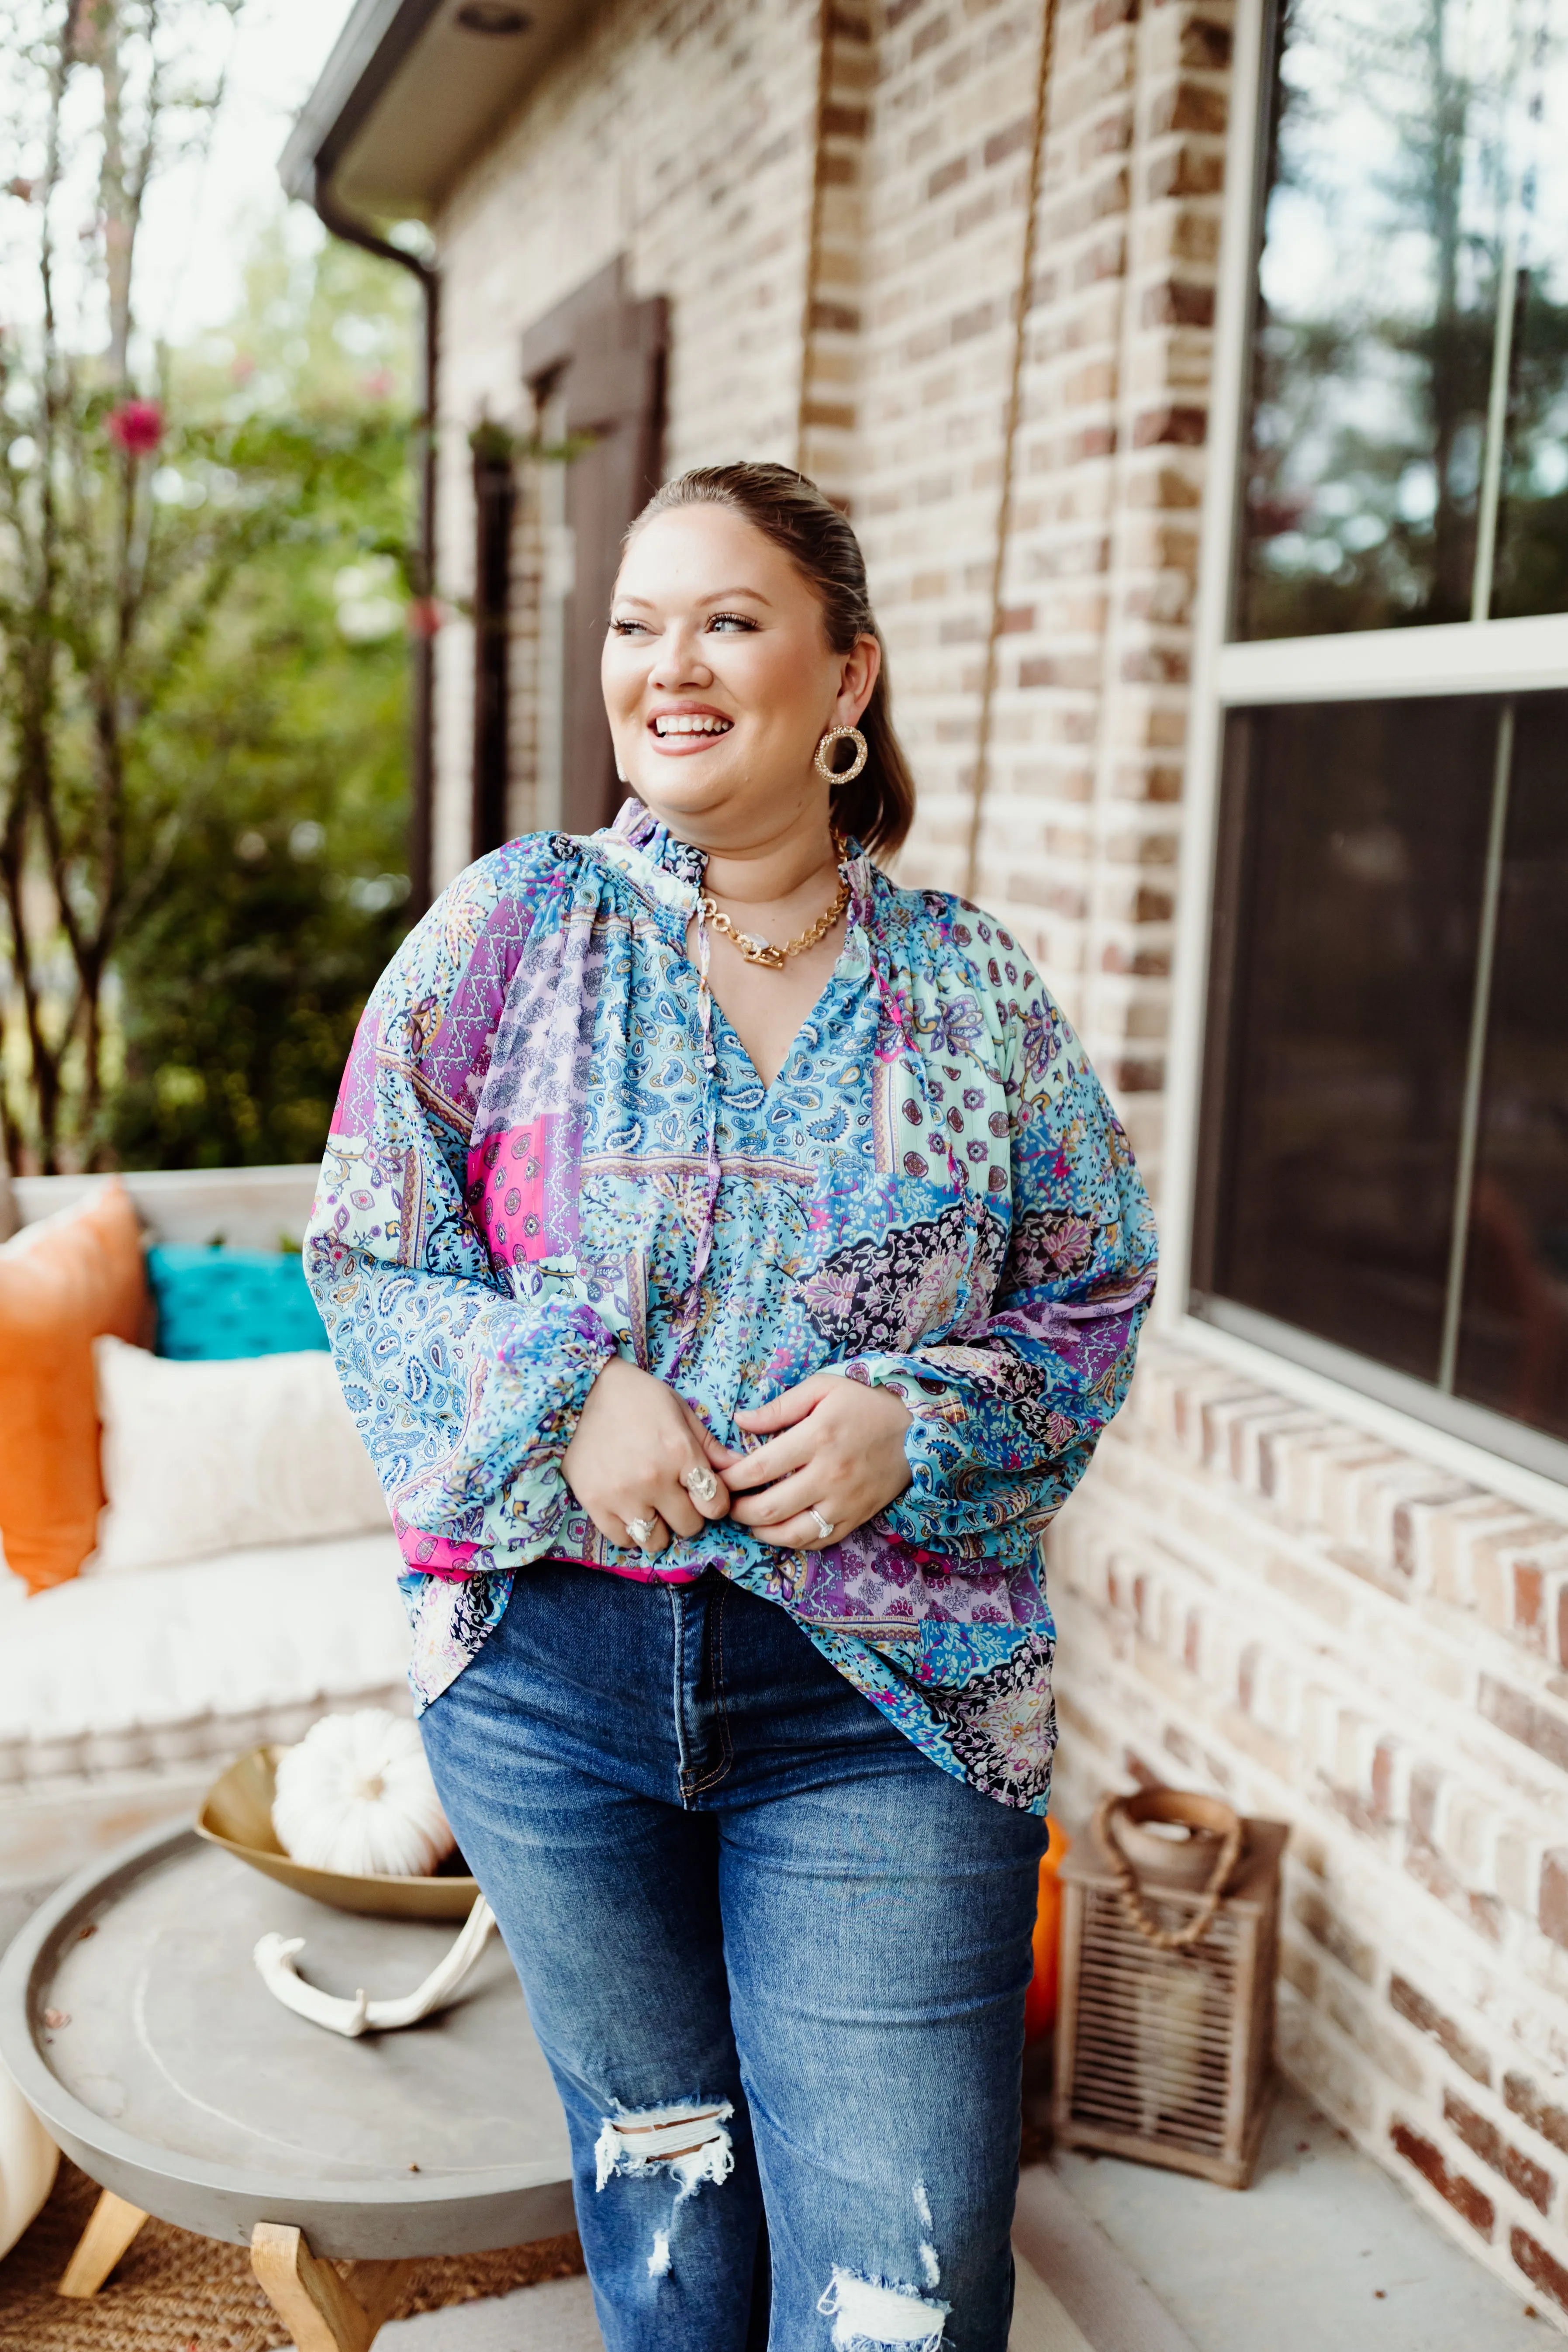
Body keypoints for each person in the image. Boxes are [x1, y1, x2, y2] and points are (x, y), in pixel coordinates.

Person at [306, 462, 1156, 2352]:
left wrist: (917, 1426)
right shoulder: (510, 935)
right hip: (547, 1684)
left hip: (889, 1706)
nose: (666, 666)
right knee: (669, 2220)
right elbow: (365, 1251)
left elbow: (1094, 1292)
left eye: (727, 620)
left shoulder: (975, 995)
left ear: (847, 678)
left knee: (900, 2289)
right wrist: (566, 1394)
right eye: (634, 623)